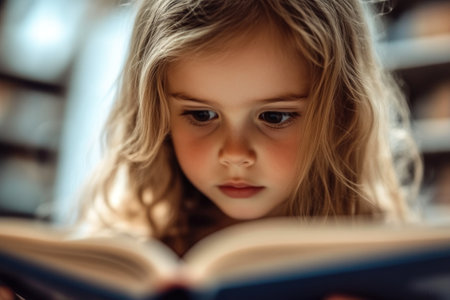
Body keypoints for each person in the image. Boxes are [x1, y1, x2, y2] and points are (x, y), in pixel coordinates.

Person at [77, 0, 422, 257]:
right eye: (201, 115)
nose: (235, 155)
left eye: (274, 117)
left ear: (340, 115)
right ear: (157, 116)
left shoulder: (379, 254)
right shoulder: (132, 244)